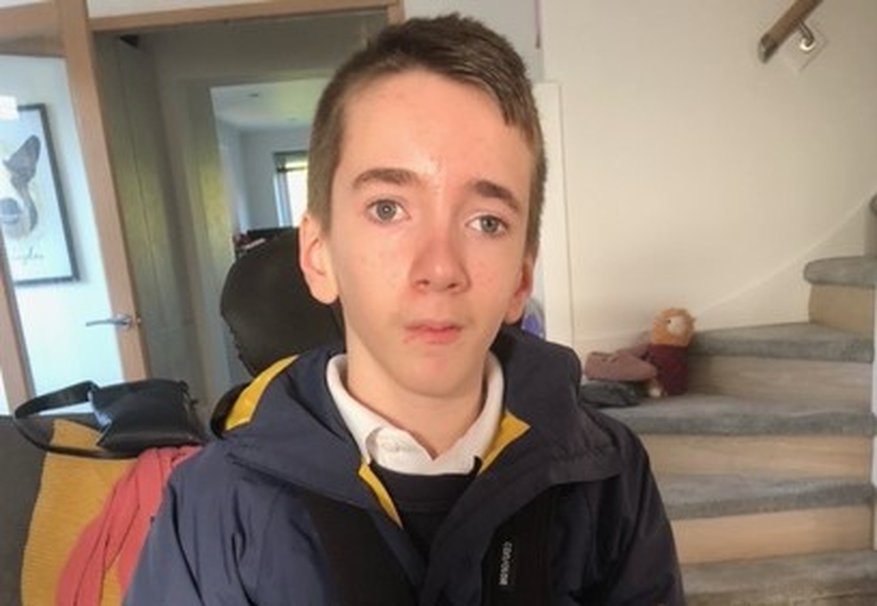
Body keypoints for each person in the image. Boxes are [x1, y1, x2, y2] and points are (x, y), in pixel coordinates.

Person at [126, 13, 683, 605]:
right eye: (388, 208)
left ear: (521, 278)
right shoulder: (210, 507)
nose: (439, 268)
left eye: (486, 221)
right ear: (319, 256)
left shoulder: (609, 475)